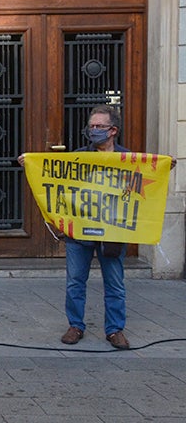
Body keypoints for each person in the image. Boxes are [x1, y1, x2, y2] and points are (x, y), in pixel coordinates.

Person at [17, 105, 170, 349]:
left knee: (115, 283)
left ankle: (115, 330)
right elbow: (58, 181)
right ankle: (75, 326)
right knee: (75, 281)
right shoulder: (79, 157)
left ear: (113, 131)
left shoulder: (128, 160)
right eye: (92, 126)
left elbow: (142, 189)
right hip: (80, 232)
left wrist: (162, 168)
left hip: (112, 232)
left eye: (100, 126)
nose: (94, 130)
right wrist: (32, 164)